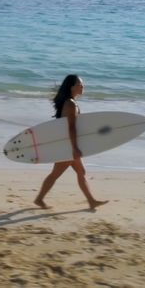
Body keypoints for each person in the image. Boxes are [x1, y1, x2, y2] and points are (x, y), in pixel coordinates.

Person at [33, 74, 109, 210]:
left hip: (68, 144)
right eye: (80, 84)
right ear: (72, 87)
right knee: (56, 174)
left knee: (81, 171)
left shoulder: (70, 102)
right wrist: (74, 148)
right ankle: (39, 199)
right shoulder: (70, 104)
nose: (82, 86)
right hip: (67, 146)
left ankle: (91, 201)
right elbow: (71, 127)